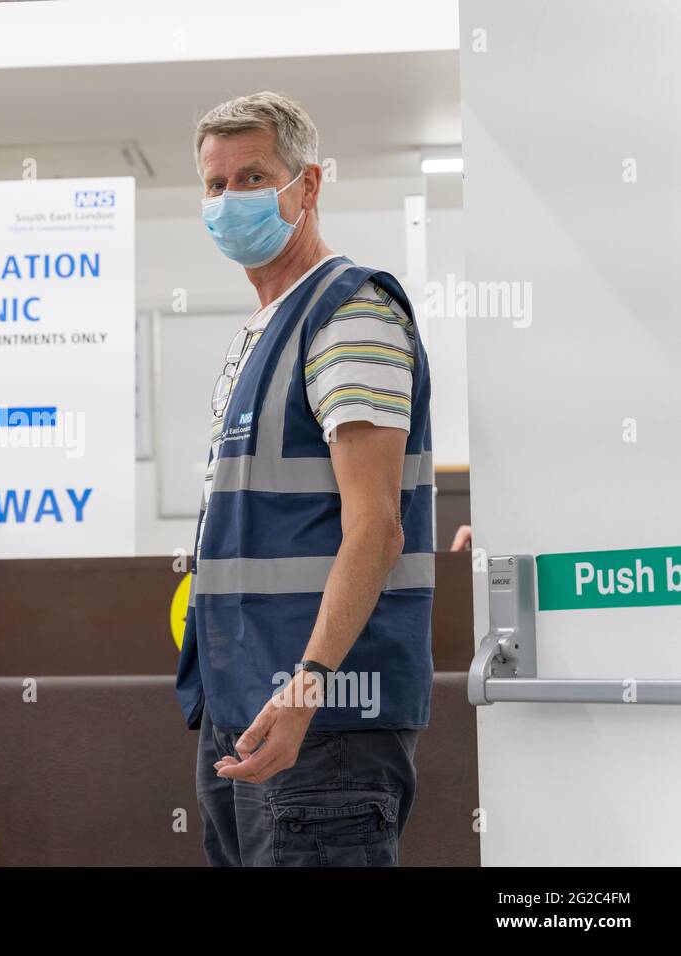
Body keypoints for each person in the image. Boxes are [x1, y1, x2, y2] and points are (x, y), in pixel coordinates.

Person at [175, 92, 435, 866]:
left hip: (324, 727)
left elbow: (376, 529)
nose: (229, 201)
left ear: (308, 186)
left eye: (252, 178)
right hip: (248, 712)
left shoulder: (348, 314)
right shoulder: (266, 329)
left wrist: (305, 687)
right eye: (215, 186)